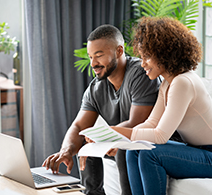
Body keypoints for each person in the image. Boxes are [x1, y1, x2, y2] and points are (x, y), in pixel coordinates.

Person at [110, 17, 212, 195]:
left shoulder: (183, 82)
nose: (142, 64)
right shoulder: (167, 83)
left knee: (150, 154)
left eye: (147, 57)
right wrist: (123, 138)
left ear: (164, 52)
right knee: (134, 149)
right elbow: (151, 123)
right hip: (198, 151)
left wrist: (117, 132)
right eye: (141, 57)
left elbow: (161, 135)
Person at [42, 24, 162, 195]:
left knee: (121, 148)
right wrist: (66, 151)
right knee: (86, 141)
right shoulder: (96, 88)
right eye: (90, 57)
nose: (93, 63)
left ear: (119, 51)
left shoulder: (140, 74)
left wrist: (102, 139)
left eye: (99, 56)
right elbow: (78, 127)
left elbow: (138, 123)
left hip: (148, 142)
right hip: (119, 142)